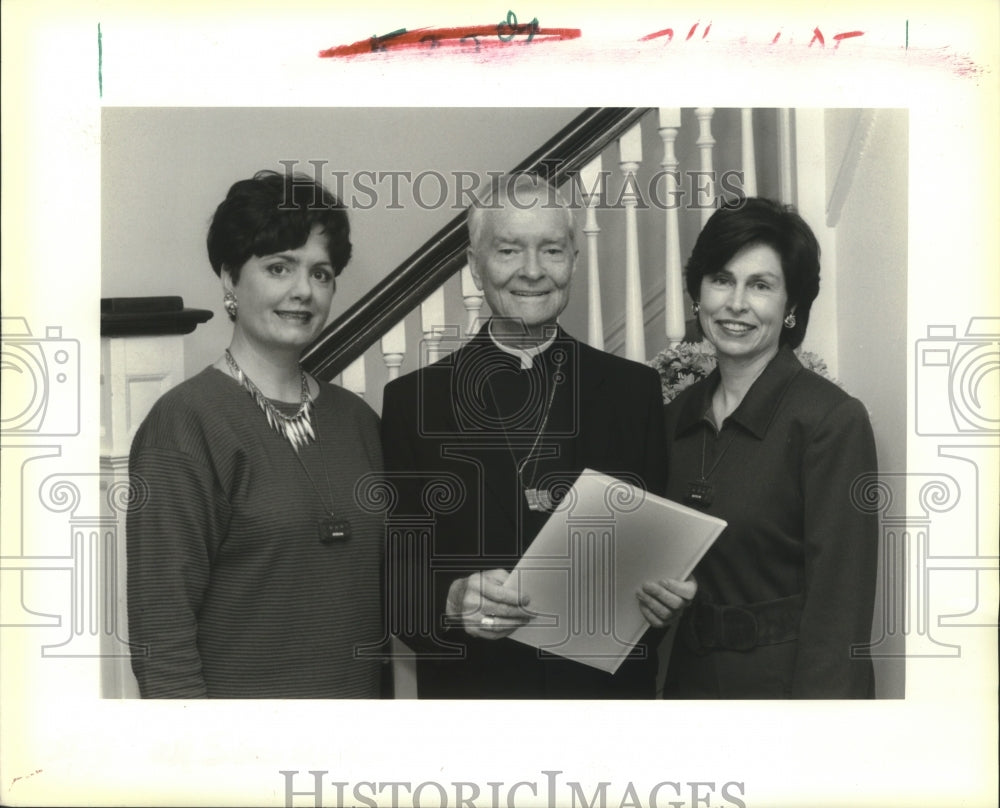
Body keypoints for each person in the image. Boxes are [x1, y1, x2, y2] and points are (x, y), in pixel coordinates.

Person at [380, 173, 695, 698]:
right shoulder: (414, 402)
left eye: (551, 250)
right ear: (475, 266)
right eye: (508, 250)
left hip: (607, 704)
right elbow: (395, 576)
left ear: (573, 259)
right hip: (478, 702)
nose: (532, 271)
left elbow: (656, 556)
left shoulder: (633, 390)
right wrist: (451, 601)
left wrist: (666, 598)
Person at [127, 170, 385, 698]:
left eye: (321, 273)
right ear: (229, 280)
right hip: (242, 760)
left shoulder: (357, 420)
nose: (302, 291)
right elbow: (162, 635)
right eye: (278, 267)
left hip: (360, 751)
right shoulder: (183, 425)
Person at [661, 197, 879, 699]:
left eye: (760, 285)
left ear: (791, 307)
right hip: (689, 694)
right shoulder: (675, 418)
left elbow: (839, 612)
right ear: (698, 294)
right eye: (721, 279)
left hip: (786, 700)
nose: (735, 303)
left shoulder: (830, 421)